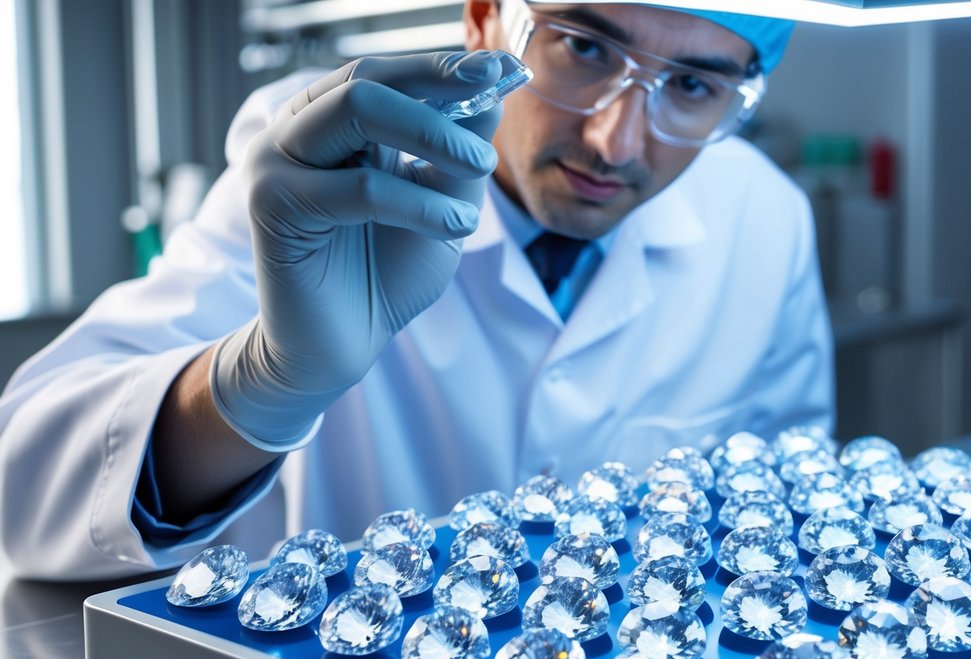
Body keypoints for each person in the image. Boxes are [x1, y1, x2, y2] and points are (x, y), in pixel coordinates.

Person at [0, 0, 833, 580]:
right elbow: (25, 488)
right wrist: (267, 382)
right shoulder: (325, 159)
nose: (613, 141)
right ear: (484, 19)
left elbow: (775, 501)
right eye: (583, 47)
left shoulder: (764, 216)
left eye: (692, 85)